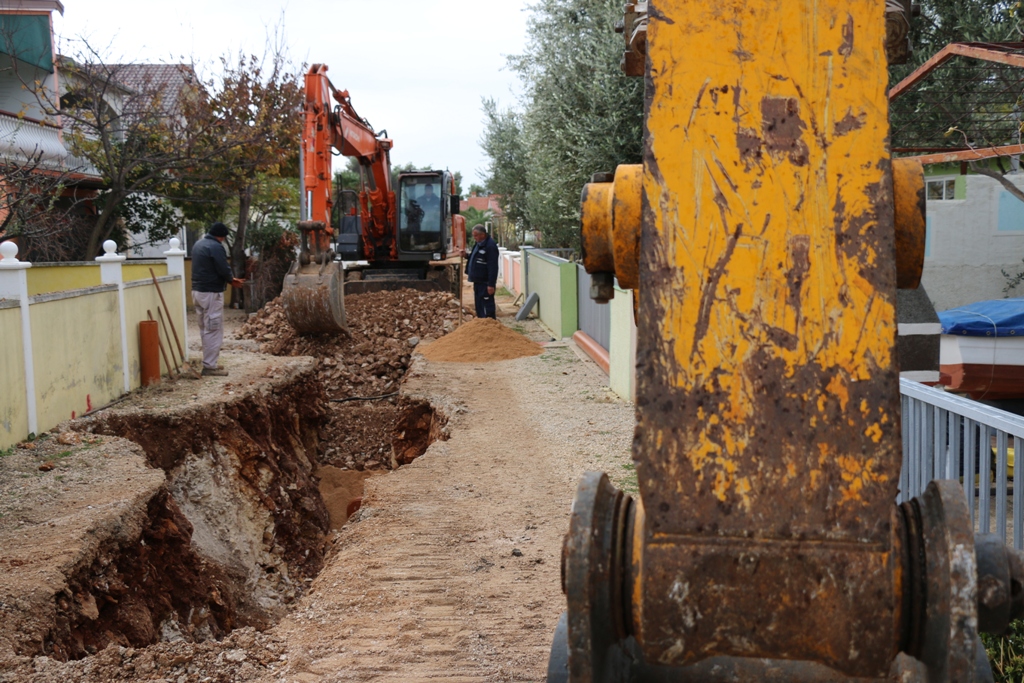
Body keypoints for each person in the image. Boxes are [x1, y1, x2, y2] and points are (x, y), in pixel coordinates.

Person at [191, 222, 243, 377]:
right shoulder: (215, 247)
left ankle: (209, 362)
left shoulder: (198, 244)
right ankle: (210, 366)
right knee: (213, 329)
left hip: (197, 292)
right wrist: (231, 280)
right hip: (211, 293)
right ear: (221, 236)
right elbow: (223, 267)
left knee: (204, 328)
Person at [465, 224, 499, 319]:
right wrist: (465, 255)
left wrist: (491, 284)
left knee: (487, 304)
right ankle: (481, 323)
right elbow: (474, 256)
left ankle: (490, 324)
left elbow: (493, 267)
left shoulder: (490, 246)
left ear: (483, 235)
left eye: (476, 235)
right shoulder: (479, 244)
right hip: (477, 281)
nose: (474, 237)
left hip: (485, 282)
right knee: (479, 304)